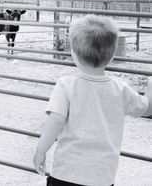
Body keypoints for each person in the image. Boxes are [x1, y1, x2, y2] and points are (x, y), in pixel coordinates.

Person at [33, 15, 152, 186]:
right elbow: (146, 108)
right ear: (112, 57)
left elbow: (55, 121)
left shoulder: (66, 85)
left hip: (66, 174)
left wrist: (40, 151)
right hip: (102, 177)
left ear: (73, 53)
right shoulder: (121, 89)